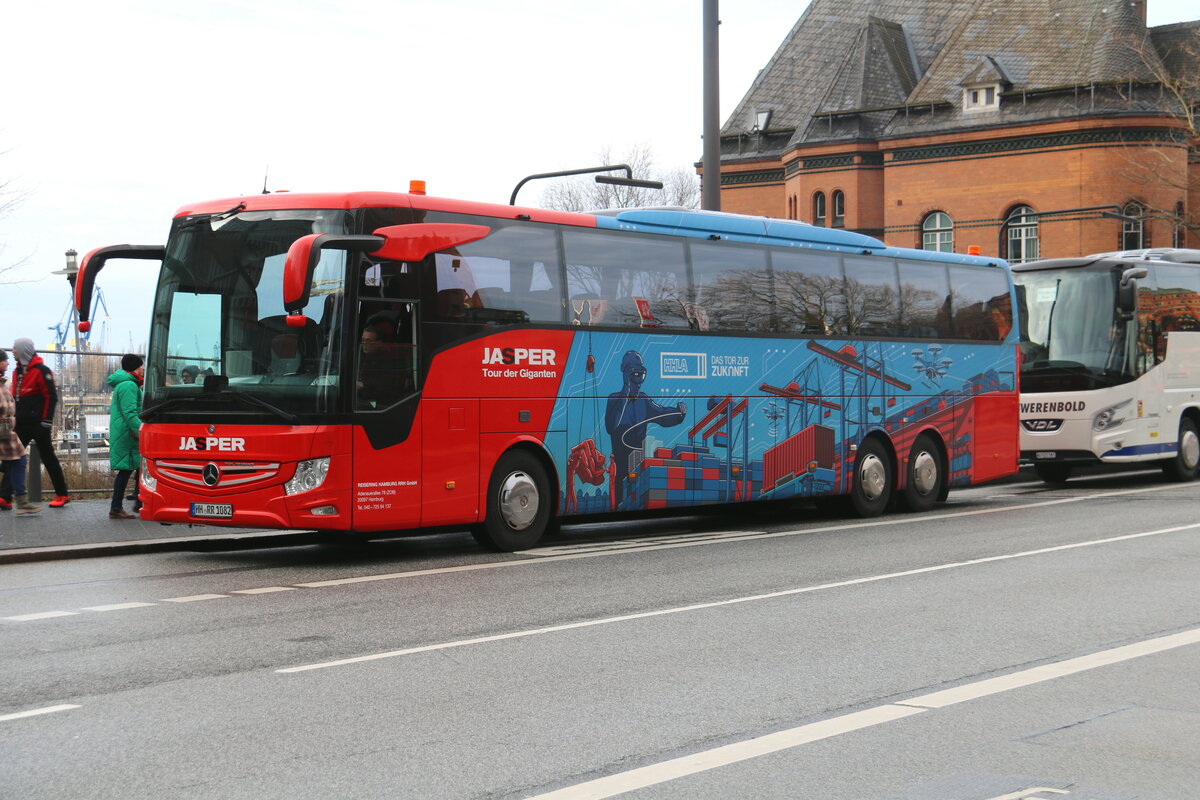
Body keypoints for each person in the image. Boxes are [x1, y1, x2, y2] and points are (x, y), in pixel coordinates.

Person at [0, 338, 70, 508]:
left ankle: (62, 494)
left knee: (49, 459)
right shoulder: (17, 372)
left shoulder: (42, 371)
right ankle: (5, 497)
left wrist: (46, 421)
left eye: (15, 348)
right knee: (12, 459)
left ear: (24, 350)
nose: (13, 351)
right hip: (21, 424)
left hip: (39, 425)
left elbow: (51, 397)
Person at [0, 348, 41, 514]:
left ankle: (21, 499)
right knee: (19, 460)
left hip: (6, 431)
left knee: (20, 459)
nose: (8, 363)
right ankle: (21, 500)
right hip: (3, 430)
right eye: (5, 360)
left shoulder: (3, 382)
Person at [108, 354, 144, 520]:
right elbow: (130, 413)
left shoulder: (125, 383)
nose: (143, 369)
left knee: (138, 467)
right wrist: (141, 433)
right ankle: (117, 507)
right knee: (127, 469)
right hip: (129, 433)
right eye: (141, 366)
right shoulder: (129, 385)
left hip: (124, 432)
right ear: (135, 367)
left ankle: (139, 502)